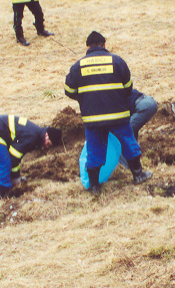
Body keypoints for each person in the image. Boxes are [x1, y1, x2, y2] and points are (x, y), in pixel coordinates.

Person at [64, 31, 152, 194]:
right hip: (117, 115)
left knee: (94, 149)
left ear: (88, 47)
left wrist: (84, 98)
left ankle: (95, 186)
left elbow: (69, 90)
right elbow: (128, 88)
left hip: (92, 118)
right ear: (104, 45)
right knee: (129, 143)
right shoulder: (117, 61)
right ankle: (138, 175)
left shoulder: (78, 66)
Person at [0, 115, 64, 197]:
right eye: (48, 144)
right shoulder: (32, 137)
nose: (46, 147)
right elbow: (14, 157)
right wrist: (16, 179)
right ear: (46, 135)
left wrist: (16, 177)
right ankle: (4, 192)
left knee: (6, 162)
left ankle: (6, 186)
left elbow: (16, 157)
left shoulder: (35, 132)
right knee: (4, 163)